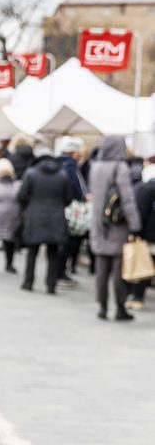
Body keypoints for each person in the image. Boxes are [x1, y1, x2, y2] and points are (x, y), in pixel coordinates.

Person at [89, 135, 142, 320]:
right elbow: (127, 198)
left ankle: (102, 306)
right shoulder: (120, 167)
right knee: (119, 269)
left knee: (101, 270)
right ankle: (120, 308)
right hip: (116, 225)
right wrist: (135, 225)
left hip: (98, 224)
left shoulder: (95, 167)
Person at [16, 147, 73, 294]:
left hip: (35, 216)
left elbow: (21, 196)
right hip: (56, 217)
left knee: (32, 251)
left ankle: (28, 282)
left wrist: (28, 207)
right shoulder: (62, 175)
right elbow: (68, 199)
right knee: (53, 253)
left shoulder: (31, 173)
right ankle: (51, 285)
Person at [56, 136, 87, 281]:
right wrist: (83, 197)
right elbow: (74, 186)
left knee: (65, 240)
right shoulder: (70, 165)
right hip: (71, 207)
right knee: (68, 240)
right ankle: (61, 271)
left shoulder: (60, 163)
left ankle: (61, 270)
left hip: (62, 206)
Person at [127, 157, 155, 310]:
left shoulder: (146, 188)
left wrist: (135, 232)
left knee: (143, 267)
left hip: (149, 235)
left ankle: (137, 298)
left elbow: (140, 213)